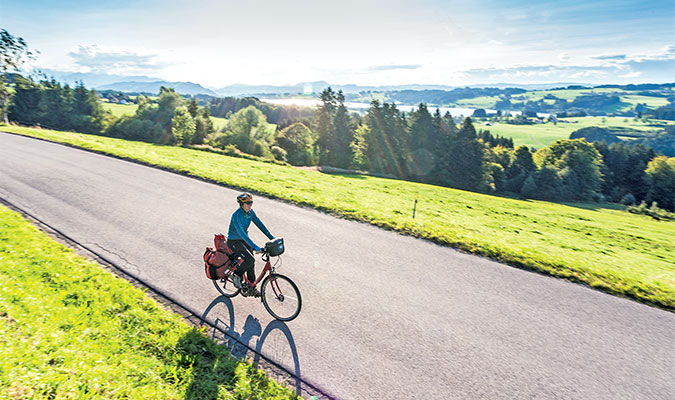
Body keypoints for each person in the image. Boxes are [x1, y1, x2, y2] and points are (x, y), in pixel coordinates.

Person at [227, 192, 274, 297]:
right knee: (250, 259)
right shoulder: (236, 216)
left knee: (251, 263)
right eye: (248, 203)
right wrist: (255, 246)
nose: (250, 205)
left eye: (251, 202)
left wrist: (272, 238)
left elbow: (260, 224)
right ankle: (236, 275)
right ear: (242, 204)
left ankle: (251, 287)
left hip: (244, 240)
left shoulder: (250, 213)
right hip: (234, 241)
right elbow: (242, 234)